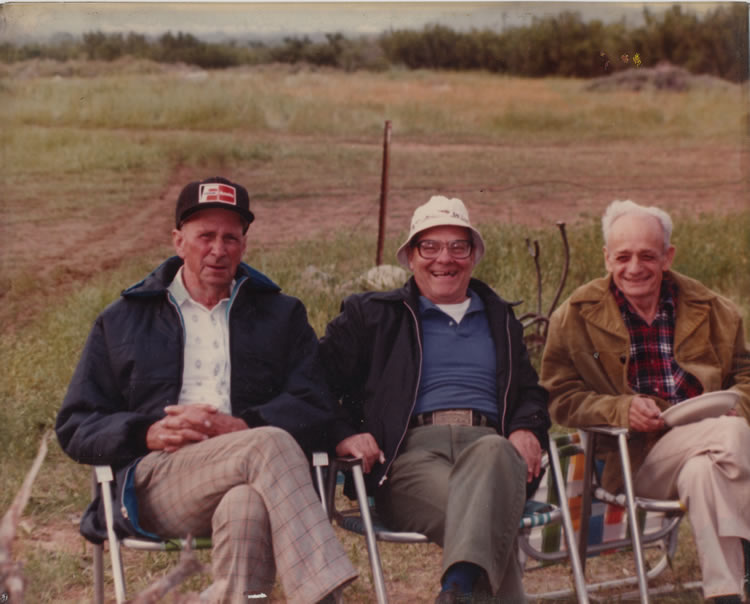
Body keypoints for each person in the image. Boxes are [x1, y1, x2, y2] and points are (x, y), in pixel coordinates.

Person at [55, 176, 357, 604]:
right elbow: (75, 424)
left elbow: (316, 404)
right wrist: (147, 433)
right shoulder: (123, 319)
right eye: (205, 236)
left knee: (247, 504)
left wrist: (241, 425)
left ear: (244, 244)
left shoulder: (281, 314)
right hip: (159, 481)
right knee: (266, 444)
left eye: (231, 238)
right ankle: (326, 596)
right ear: (178, 241)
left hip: (254, 474)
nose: (219, 249)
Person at [319, 195, 551, 603]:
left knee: (495, 455)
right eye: (430, 246)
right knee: (488, 516)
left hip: (492, 452)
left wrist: (525, 427)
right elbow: (312, 382)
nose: (444, 258)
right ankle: (460, 587)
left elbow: (530, 391)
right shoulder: (372, 316)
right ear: (410, 257)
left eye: (458, 247)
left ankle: (457, 588)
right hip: (410, 460)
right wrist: (342, 434)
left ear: (473, 257)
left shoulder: (500, 317)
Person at [540, 199, 750, 604]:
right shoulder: (576, 315)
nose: (634, 267)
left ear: (667, 257)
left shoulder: (714, 309)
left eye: (647, 256)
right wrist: (621, 409)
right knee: (734, 432)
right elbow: (559, 397)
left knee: (705, 473)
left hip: (710, 449)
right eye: (623, 256)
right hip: (634, 458)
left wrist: (737, 400)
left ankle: (723, 593)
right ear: (606, 258)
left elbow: (745, 373)